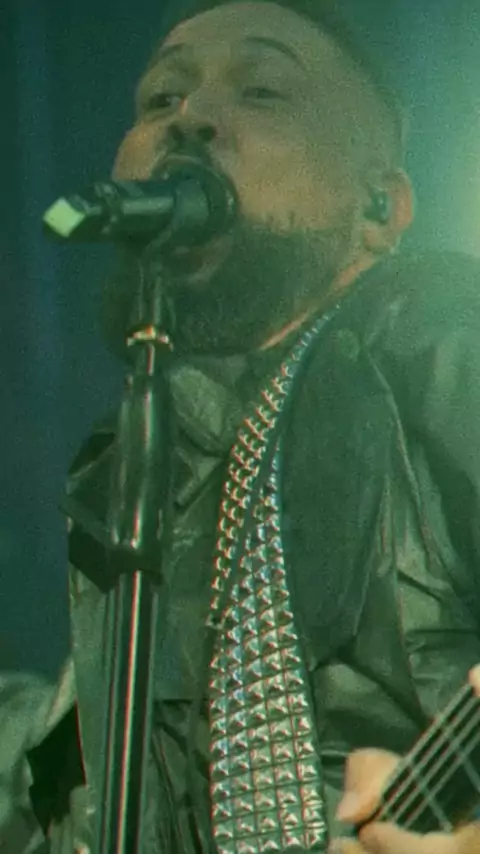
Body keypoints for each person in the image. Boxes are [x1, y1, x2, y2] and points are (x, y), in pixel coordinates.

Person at [3, 0, 480, 852]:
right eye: (161, 98)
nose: (190, 118)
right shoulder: (130, 485)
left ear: (380, 206)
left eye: (262, 92)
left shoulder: (442, 336)